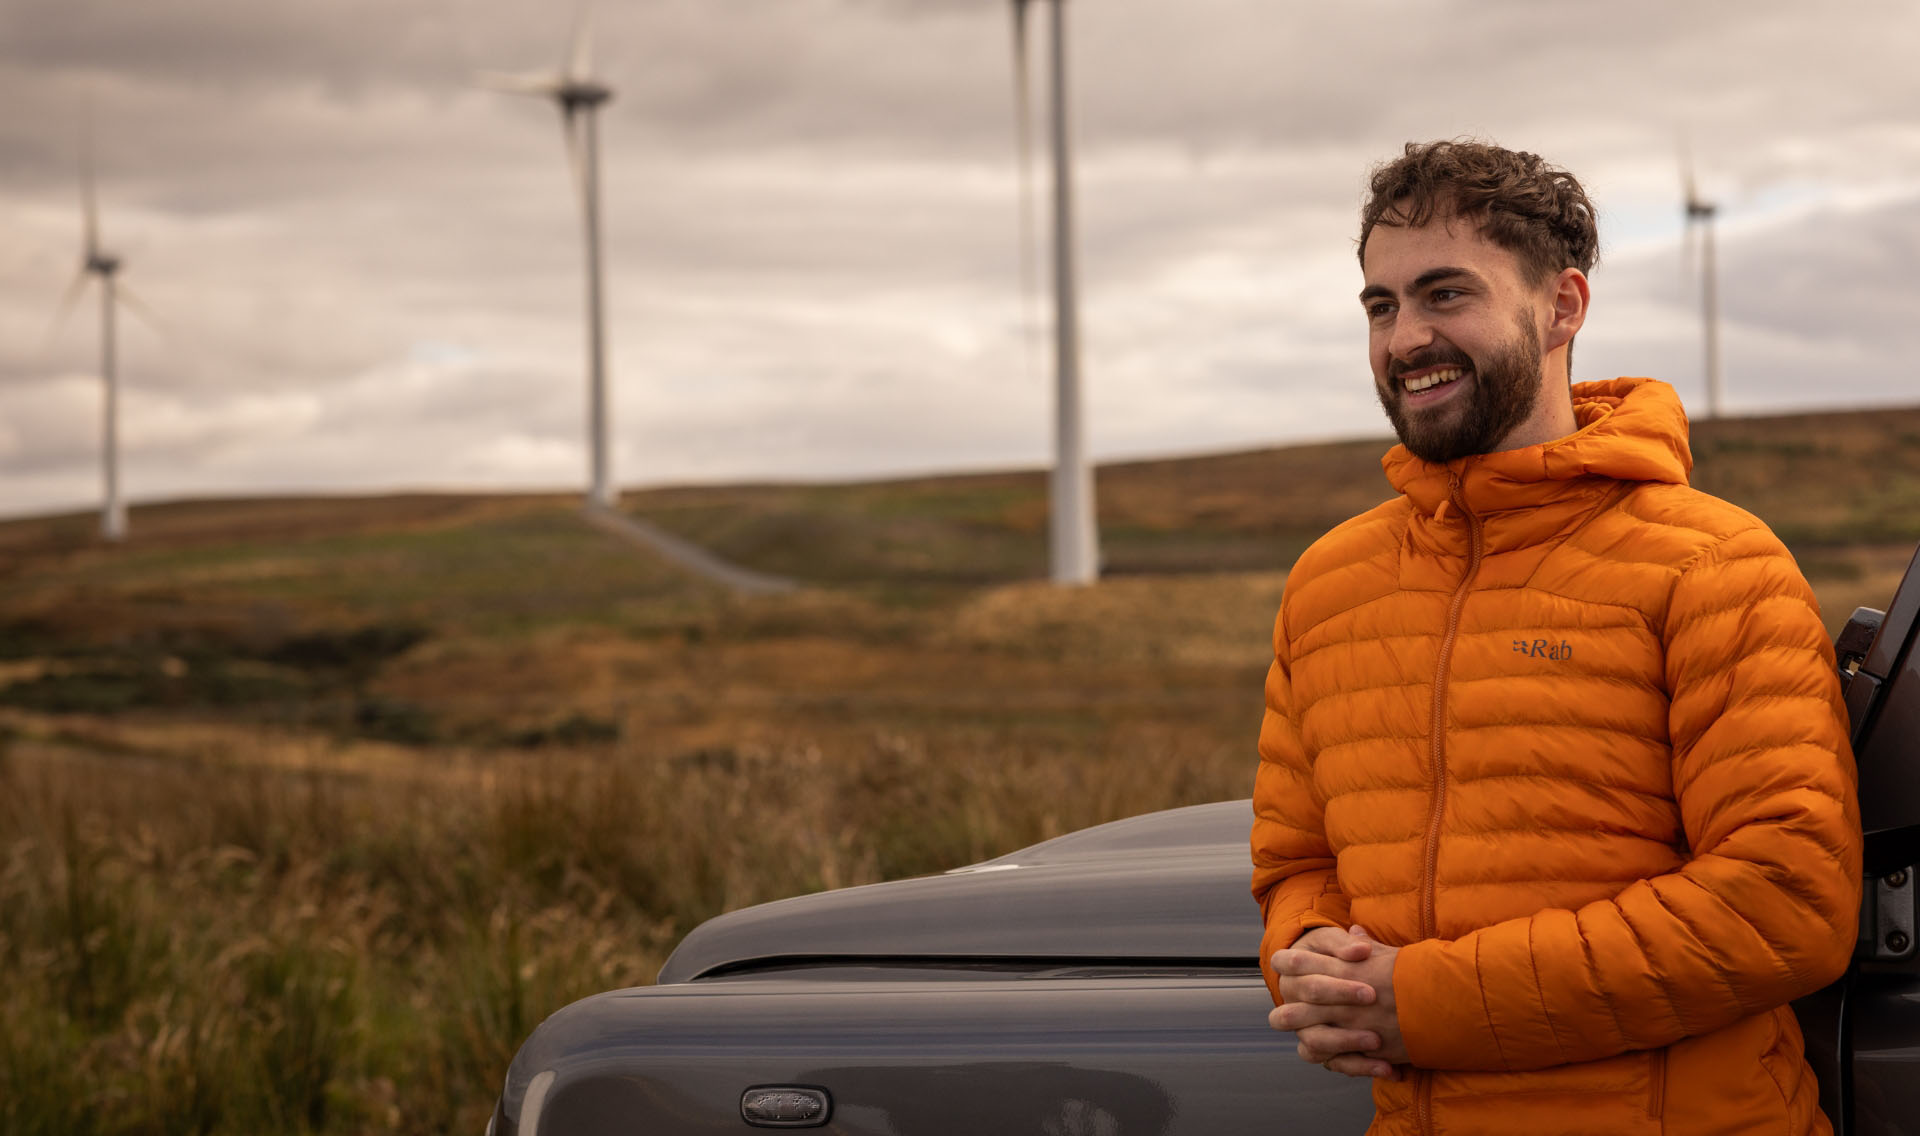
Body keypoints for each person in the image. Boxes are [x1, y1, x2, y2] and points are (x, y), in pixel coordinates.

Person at [1250, 139, 1862, 1135]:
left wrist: (1429, 1001)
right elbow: (1294, 858)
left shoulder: (1712, 563)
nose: (1406, 337)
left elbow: (1782, 903)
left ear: (1563, 307)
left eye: (1447, 294)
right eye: (1380, 304)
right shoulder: (1331, 585)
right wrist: (1317, 960)